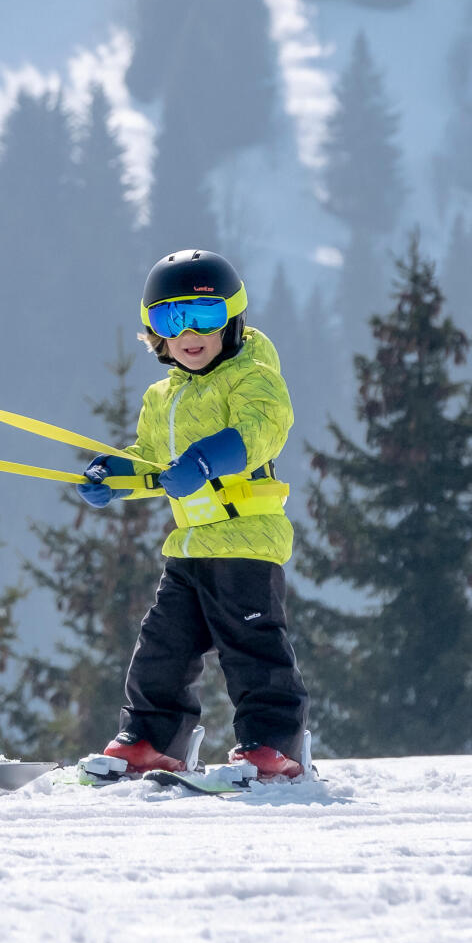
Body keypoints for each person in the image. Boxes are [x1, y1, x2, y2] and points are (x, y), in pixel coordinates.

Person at [77, 249, 310, 779]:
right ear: (154, 332)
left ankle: (273, 746)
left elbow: (261, 430)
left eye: (203, 317)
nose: (189, 333)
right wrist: (113, 477)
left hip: (247, 540)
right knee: (162, 648)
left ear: (231, 318)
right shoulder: (164, 396)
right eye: (171, 319)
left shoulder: (252, 376)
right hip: (190, 547)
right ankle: (150, 741)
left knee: (252, 648)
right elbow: (152, 464)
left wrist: (207, 459)